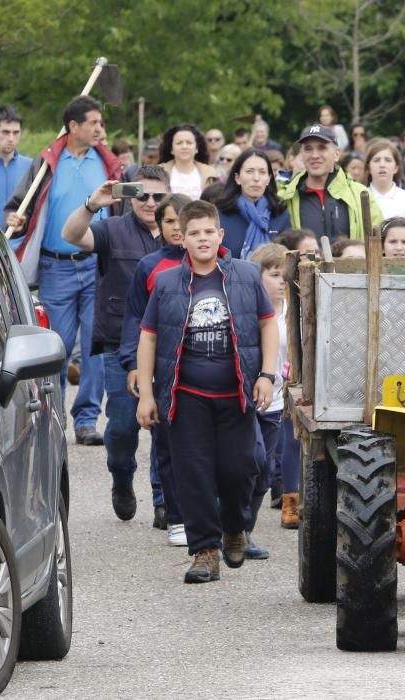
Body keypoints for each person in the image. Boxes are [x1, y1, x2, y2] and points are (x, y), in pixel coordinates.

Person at [136, 199, 279, 584]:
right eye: (193, 234)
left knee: (239, 470)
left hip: (236, 394)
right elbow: (148, 337)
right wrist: (148, 395)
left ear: (221, 235)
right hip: (186, 396)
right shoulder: (167, 283)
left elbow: (268, 324)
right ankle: (204, 551)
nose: (202, 240)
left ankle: (235, 526)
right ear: (182, 239)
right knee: (193, 474)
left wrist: (267, 374)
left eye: (208, 233)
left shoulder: (247, 276)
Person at [5, 95, 121, 446]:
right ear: (74, 127)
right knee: (56, 345)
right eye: (94, 123)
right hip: (56, 267)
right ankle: (51, 417)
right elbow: (18, 206)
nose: (101, 129)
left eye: (101, 123)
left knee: (93, 348)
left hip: (98, 264)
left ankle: (86, 419)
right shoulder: (47, 163)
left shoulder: (109, 164)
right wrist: (16, 219)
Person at [60, 164, 169, 520]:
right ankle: (121, 476)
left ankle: (163, 499)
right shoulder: (113, 230)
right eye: (142, 195)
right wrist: (93, 204)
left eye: (158, 196)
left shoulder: (179, 231)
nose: (150, 203)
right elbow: (71, 235)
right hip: (121, 345)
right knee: (122, 427)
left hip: (171, 345)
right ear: (130, 195)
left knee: (167, 425)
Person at [120, 193, 191, 546]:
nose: (177, 228)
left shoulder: (219, 261)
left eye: (183, 220)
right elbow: (135, 317)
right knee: (166, 442)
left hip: (207, 365)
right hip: (162, 367)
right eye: (169, 222)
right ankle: (173, 512)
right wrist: (133, 364)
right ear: (159, 227)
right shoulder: (150, 265)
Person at [245, 244, 292, 546]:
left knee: (265, 471)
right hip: (246, 402)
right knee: (247, 464)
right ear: (256, 277)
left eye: (286, 275)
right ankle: (231, 527)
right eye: (275, 274)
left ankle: (244, 531)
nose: (282, 281)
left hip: (276, 404)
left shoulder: (296, 312)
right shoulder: (247, 311)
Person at [277, 125, 381, 242]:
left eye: (322, 148)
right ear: (301, 154)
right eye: (308, 149)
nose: (314, 155)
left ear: (336, 154)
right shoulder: (286, 197)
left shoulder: (360, 194)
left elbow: (378, 241)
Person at [214, 148, 291, 260]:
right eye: (249, 171)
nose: (256, 178)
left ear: (269, 179)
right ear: (237, 178)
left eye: (262, 172)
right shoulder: (220, 213)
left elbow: (288, 257)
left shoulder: (280, 212)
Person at [159, 123, 218, 199]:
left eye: (189, 143)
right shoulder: (159, 171)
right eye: (179, 143)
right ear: (171, 149)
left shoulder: (210, 173)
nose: (184, 146)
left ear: (196, 148)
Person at [365, 139, 405, 220]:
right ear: (368, 168)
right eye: (376, 160)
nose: (382, 165)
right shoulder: (358, 199)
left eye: (388, 160)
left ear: (396, 168)